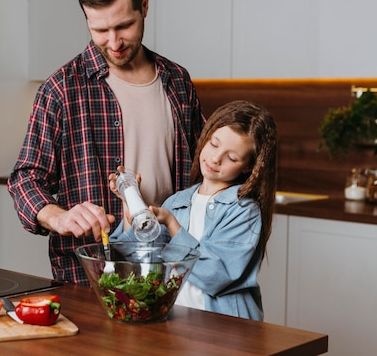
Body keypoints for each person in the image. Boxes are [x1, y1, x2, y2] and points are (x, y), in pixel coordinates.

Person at [8, 0, 205, 285]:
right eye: (100, 29)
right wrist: (58, 217)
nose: (113, 43)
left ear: (144, 5)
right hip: (92, 279)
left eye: (124, 25)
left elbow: (204, 173)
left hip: (173, 272)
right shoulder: (61, 89)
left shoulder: (177, 80)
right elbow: (25, 179)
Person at [108, 100, 278, 321]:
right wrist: (131, 204)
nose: (216, 159)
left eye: (232, 157)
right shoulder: (177, 202)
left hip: (226, 329)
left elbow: (216, 276)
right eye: (214, 144)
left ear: (248, 167)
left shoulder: (243, 211)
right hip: (177, 324)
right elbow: (137, 258)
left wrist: (173, 226)